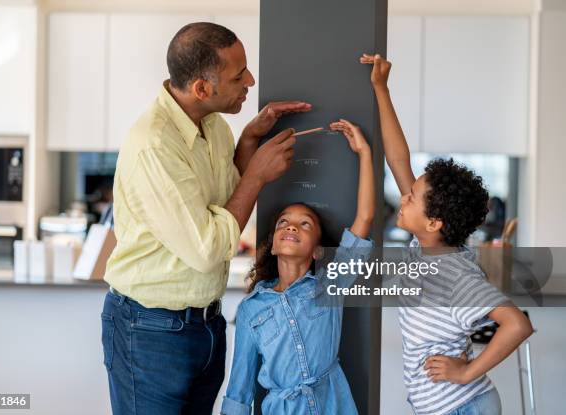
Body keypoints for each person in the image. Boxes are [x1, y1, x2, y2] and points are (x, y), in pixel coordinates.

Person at [100, 22, 313, 415]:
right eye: (238, 75)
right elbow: (208, 248)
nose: (250, 80)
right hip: (150, 331)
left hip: (205, 326)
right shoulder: (155, 145)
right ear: (201, 88)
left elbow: (224, 198)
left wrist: (248, 141)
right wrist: (258, 175)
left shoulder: (213, 125)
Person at [361, 53, 533, 415]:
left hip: (464, 407)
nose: (403, 197)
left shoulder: (455, 277)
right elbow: (398, 160)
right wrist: (380, 88)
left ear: (435, 221)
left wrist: (467, 370)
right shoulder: (425, 245)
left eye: (411, 197)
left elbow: (517, 324)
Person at [221, 119, 375, 414]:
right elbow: (238, 389)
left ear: (318, 250)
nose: (291, 226)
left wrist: (365, 152)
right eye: (283, 222)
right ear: (274, 244)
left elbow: (365, 218)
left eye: (305, 224)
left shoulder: (330, 284)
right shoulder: (251, 309)